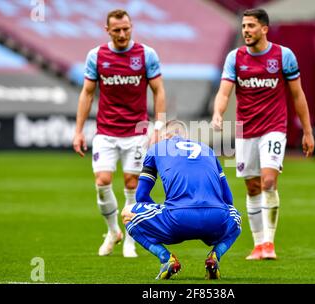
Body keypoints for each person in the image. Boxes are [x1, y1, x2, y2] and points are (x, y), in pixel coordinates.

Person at [211, 8, 315, 260]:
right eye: (244, 26)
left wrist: (307, 132)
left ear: (264, 29)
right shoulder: (235, 58)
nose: (246, 30)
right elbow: (224, 92)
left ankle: (269, 243)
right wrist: (218, 113)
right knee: (252, 186)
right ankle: (258, 245)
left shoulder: (283, 56)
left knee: (268, 181)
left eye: (251, 26)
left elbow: (297, 94)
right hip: (246, 131)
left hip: (274, 128)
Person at [72, 9, 166, 258]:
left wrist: (159, 126)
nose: (122, 34)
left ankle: (130, 240)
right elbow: (87, 93)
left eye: (126, 28)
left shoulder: (146, 54)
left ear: (131, 26)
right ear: (107, 31)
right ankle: (113, 231)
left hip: (136, 131)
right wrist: (79, 130)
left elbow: (158, 90)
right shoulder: (97, 56)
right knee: (102, 182)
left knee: (131, 183)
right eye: (117, 30)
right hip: (106, 131)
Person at [121, 120, 241, 280]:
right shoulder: (208, 150)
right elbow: (228, 198)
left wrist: (161, 217)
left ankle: (165, 258)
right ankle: (215, 256)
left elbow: (141, 196)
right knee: (236, 216)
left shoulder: (156, 149)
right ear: (185, 136)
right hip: (215, 219)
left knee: (127, 213)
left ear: (164, 136)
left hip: (177, 219)